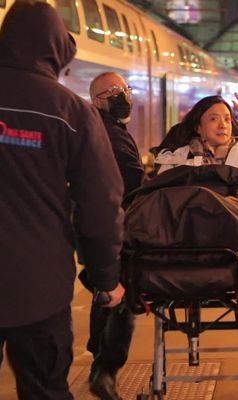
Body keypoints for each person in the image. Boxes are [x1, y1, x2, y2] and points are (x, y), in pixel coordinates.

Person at [0, 2, 125, 399]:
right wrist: (105, 278)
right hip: (38, 286)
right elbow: (101, 204)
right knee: (44, 389)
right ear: (57, 48)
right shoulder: (71, 112)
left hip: (36, 284)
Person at [83, 72, 146, 399]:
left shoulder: (105, 128)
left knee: (108, 288)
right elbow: (132, 182)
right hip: (110, 226)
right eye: (114, 92)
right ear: (96, 101)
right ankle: (103, 367)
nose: (123, 95)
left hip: (101, 226)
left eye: (125, 89)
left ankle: (101, 364)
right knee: (118, 289)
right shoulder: (109, 133)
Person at [154, 93, 238, 179]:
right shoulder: (178, 158)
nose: (223, 125)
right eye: (213, 119)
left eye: (227, 120)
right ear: (198, 127)